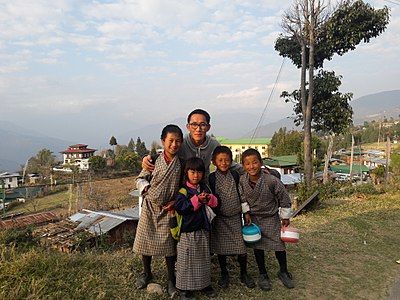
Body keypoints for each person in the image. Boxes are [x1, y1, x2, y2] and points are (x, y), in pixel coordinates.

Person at [133, 124, 184, 296]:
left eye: (178, 141)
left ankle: (171, 280)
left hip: (168, 210)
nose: (174, 145)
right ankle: (147, 273)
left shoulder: (181, 164)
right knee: (146, 243)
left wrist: (176, 201)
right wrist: (146, 189)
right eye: (170, 141)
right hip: (150, 208)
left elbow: (184, 187)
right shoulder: (153, 160)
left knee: (170, 246)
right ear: (163, 141)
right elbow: (140, 179)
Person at [239, 148, 294, 291]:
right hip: (254, 219)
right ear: (243, 166)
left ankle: (283, 271)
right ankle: (263, 274)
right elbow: (242, 198)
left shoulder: (272, 180)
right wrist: (246, 213)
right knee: (258, 246)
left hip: (271, 218)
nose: (251, 166)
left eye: (255, 162)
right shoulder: (242, 181)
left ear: (261, 163)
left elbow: (284, 198)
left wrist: (285, 216)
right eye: (247, 164)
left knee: (279, 246)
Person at [208, 146, 255, 289]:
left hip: (235, 218)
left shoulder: (235, 175)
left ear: (231, 161)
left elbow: (241, 195)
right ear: (214, 162)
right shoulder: (211, 178)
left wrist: (246, 212)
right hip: (220, 219)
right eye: (220, 160)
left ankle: (243, 273)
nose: (224, 163)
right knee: (221, 250)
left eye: (227, 160)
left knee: (241, 249)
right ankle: (224, 274)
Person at [174, 157, 218, 300]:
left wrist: (208, 198)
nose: (195, 175)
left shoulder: (204, 188)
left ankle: (205, 285)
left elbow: (215, 203)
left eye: (199, 172)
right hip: (187, 231)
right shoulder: (183, 191)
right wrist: (197, 200)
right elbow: (181, 208)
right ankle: (184, 289)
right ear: (186, 172)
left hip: (202, 229)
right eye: (192, 172)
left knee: (203, 259)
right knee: (185, 261)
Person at [142, 109, 220, 177]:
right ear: (188, 127)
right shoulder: (180, 143)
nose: (198, 129)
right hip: (182, 185)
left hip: (204, 184)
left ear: (208, 127)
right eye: (194, 124)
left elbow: (227, 161)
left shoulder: (214, 145)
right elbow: (165, 155)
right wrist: (148, 159)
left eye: (202, 125)